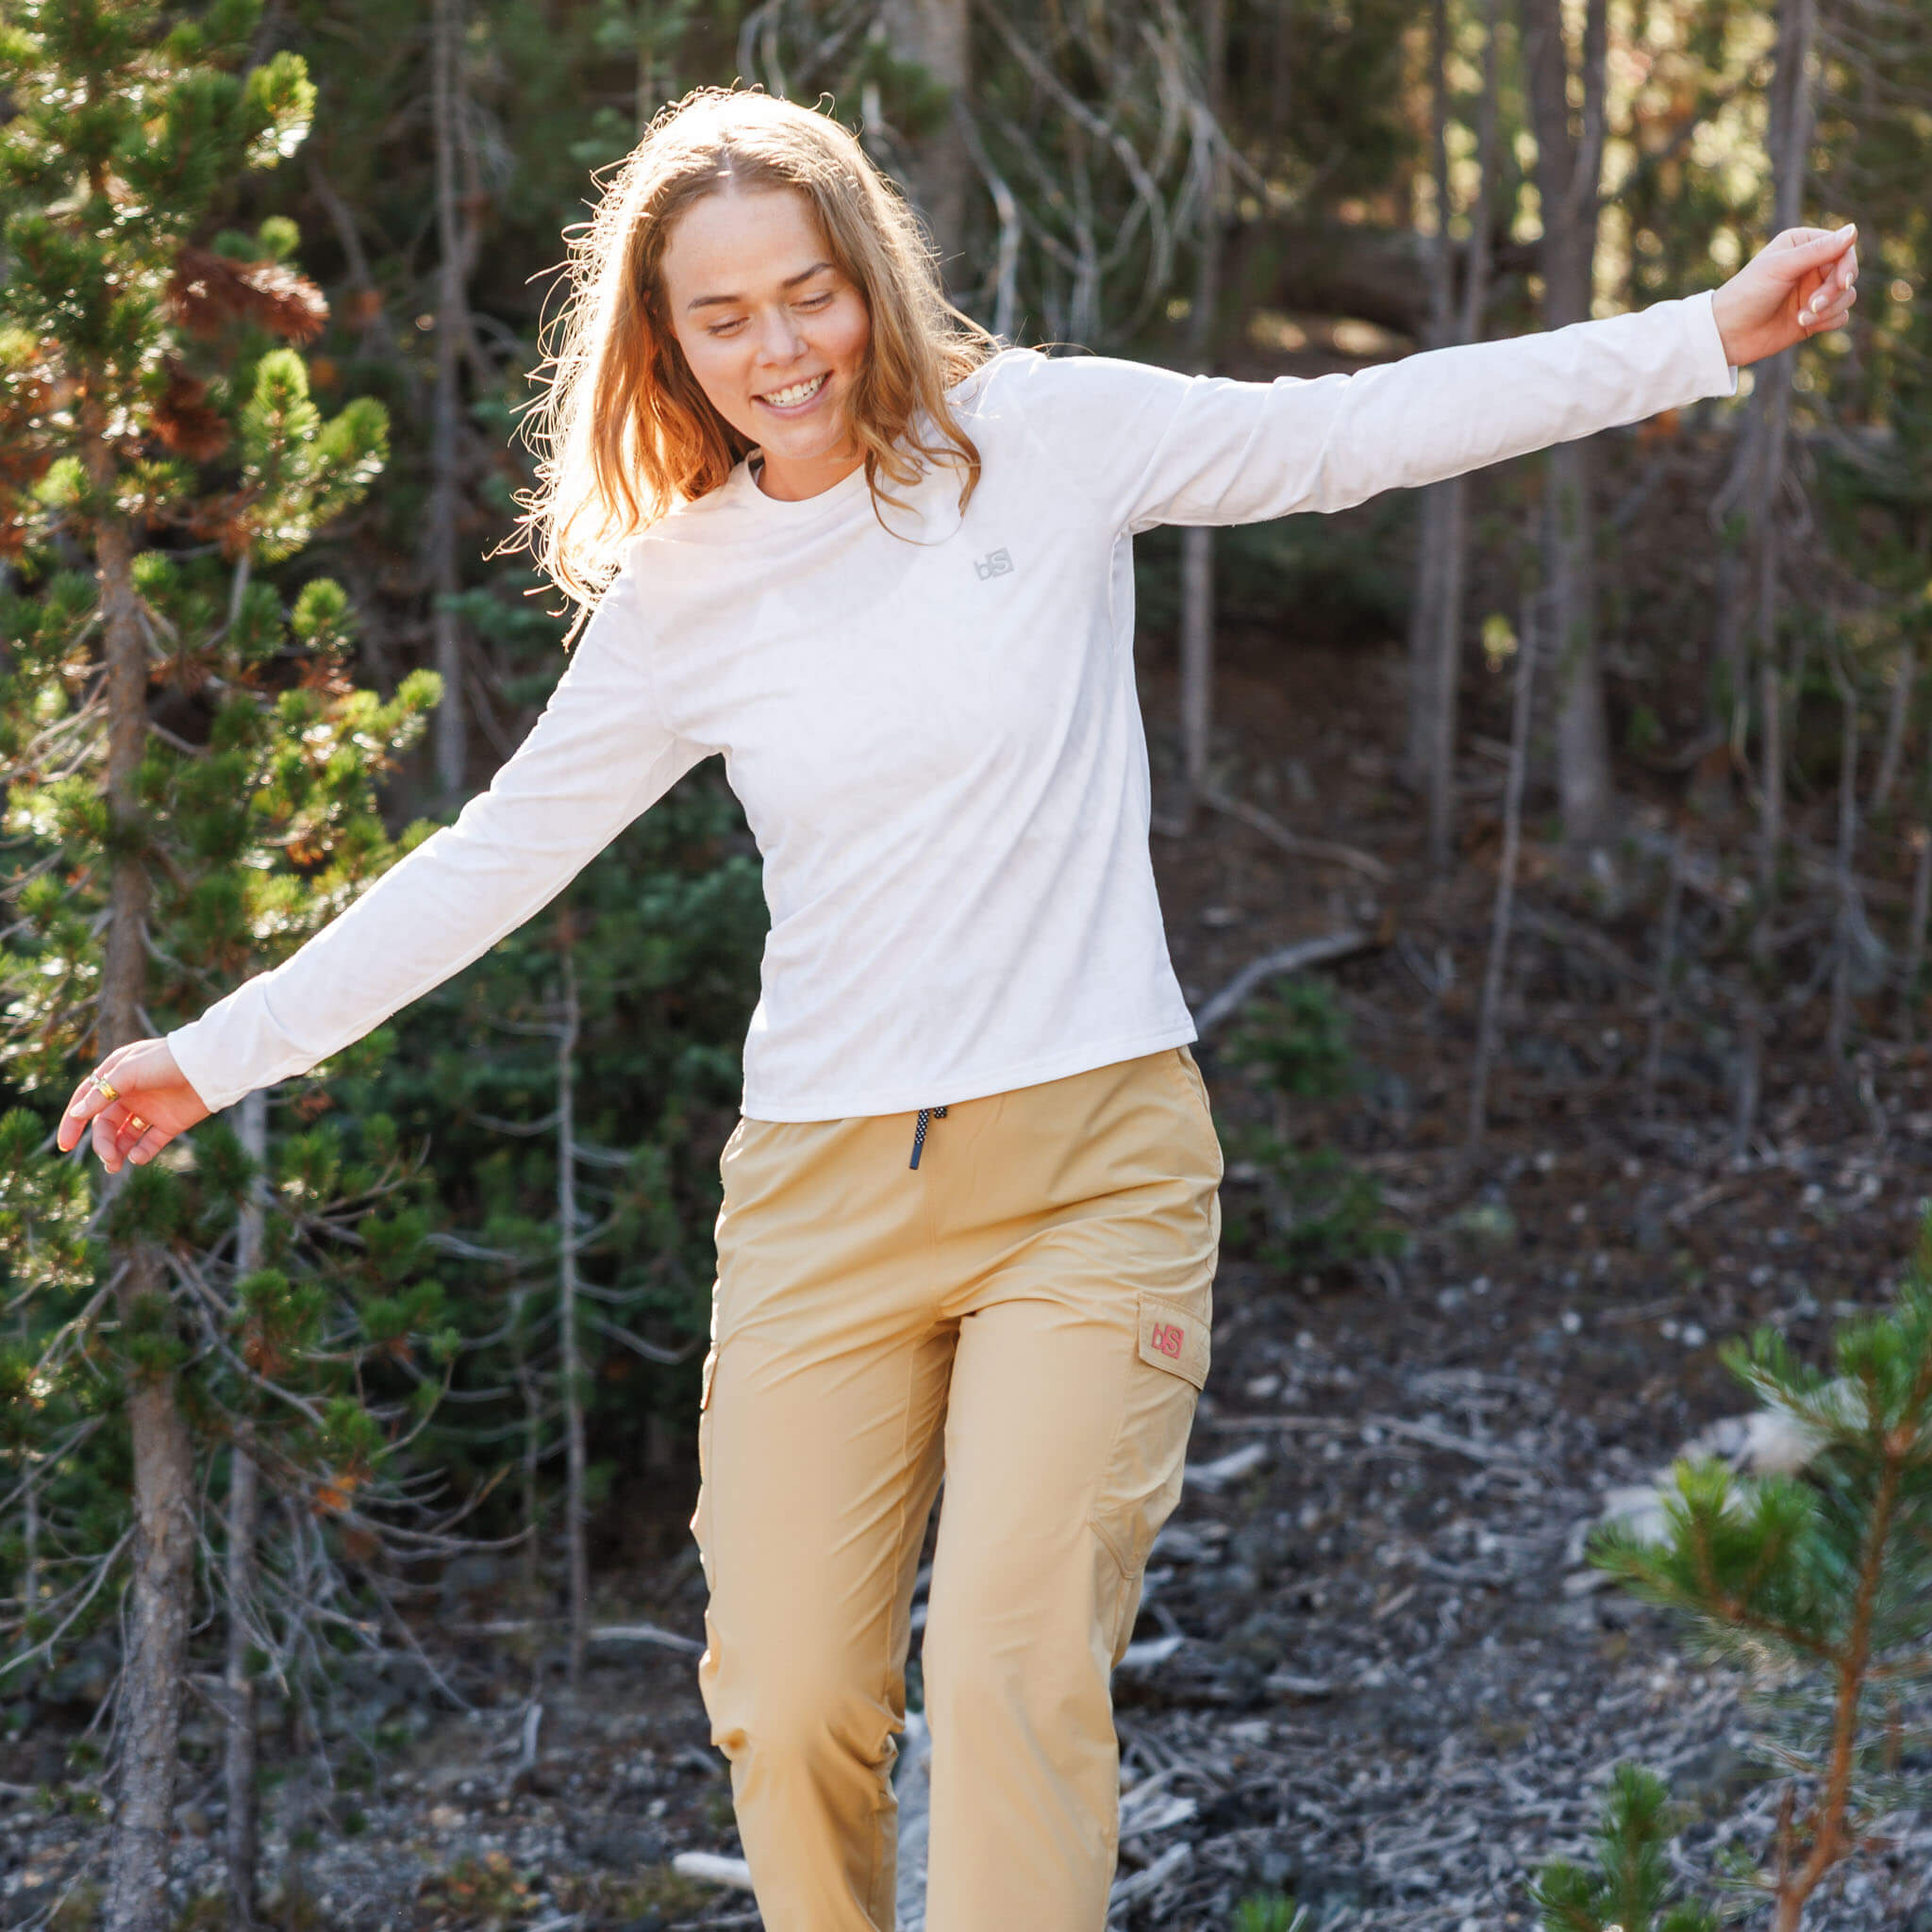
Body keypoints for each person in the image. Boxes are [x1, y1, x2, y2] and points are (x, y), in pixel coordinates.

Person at [58, 82, 1858, 1932]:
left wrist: (1697, 337)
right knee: (789, 1706)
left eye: (810, 293)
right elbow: (490, 862)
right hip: (820, 1197)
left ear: (871, 274)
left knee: (1006, 1666)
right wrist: (211, 1056)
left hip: (1091, 1164)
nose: (781, 350)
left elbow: (1346, 431)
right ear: (663, 342)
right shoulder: (683, 593)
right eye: (724, 317)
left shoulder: (1038, 440)